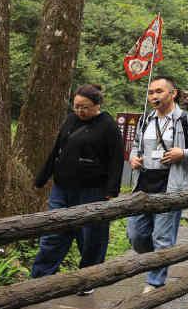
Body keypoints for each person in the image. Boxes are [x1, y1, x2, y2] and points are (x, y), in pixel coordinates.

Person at [31, 84, 124, 289]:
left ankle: (88, 280)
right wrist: (42, 177)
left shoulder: (108, 126)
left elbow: (116, 160)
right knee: (54, 232)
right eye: (76, 106)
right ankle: (40, 280)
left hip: (93, 190)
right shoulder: (71, 119)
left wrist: (111, 192)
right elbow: (57, 150)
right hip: (62, 188)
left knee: (91, 237)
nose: (80, 111)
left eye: (85, 107)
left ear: (97, 105)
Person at [127, 76, 188, 292]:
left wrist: (182, 153)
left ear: (172, 94)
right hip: (143, 183)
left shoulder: (185, 120)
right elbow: (136, 145)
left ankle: (154, 283)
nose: (153, 96)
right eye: (151, 92)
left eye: (159, 92)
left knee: (162, 237)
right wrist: (133, 158)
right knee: (135, 235)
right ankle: (156, 260)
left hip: (170, 185)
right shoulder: (146, 119)